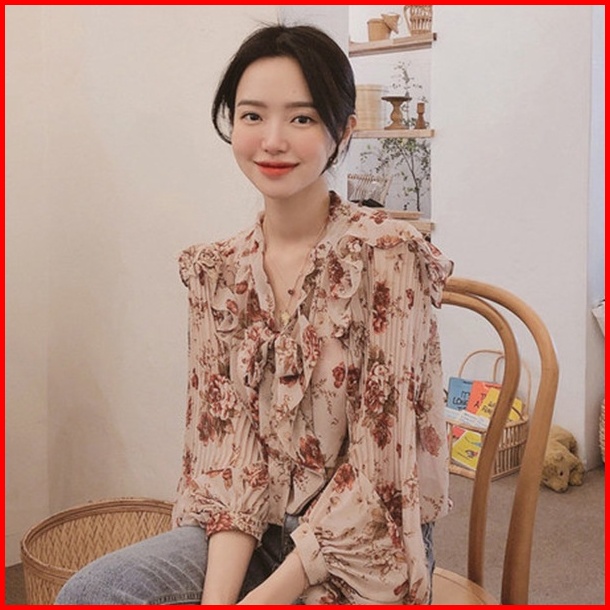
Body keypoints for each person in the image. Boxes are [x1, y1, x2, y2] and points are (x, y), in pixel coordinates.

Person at [56, 23, 453, 606]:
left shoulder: (388, 256)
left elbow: (381, 469)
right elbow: (230, 456)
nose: (272, 141)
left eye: (302, 118)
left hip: (370, 538)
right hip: (258, 525)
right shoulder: (217, 271)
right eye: (251, 116)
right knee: (92, 593)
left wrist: (265, 597)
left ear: (343, 131)